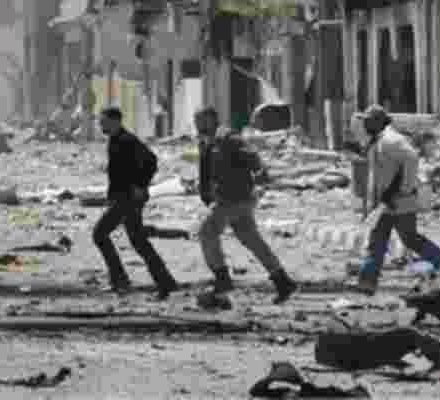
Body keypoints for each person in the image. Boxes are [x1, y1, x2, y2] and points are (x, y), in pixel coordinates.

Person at [194, 107, 297, 304]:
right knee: (251, 239)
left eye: (200, 121)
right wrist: (206, 194)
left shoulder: (228, 138)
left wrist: (261, 176)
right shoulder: (208, 141)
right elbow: (205, 169)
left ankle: (222, 279)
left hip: (234, 197)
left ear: (211, 120)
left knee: (207, 232)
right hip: (231, 198)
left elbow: (252, 156)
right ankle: (282, 281)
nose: (197, 125)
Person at [355, 105, 440, 296]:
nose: (365, 125)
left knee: (410, 239)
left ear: (377, 122)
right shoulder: (380, 140)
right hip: (386, 204)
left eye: (368, 121)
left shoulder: (391, 140)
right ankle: (366, 283)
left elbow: (412, 158)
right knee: (377, 241)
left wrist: (403, 189)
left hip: (400, 203)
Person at [92, 107, 178, 299]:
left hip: (127, 199)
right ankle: (165, 281)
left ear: (115, 121)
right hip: (122, 197)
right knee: (138, 240)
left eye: (103, 121)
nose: (100, 125)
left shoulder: (127, 140)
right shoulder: (115, 139)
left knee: (99, 234)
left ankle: (120, 280)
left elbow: (151, 161)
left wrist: (140, 185)